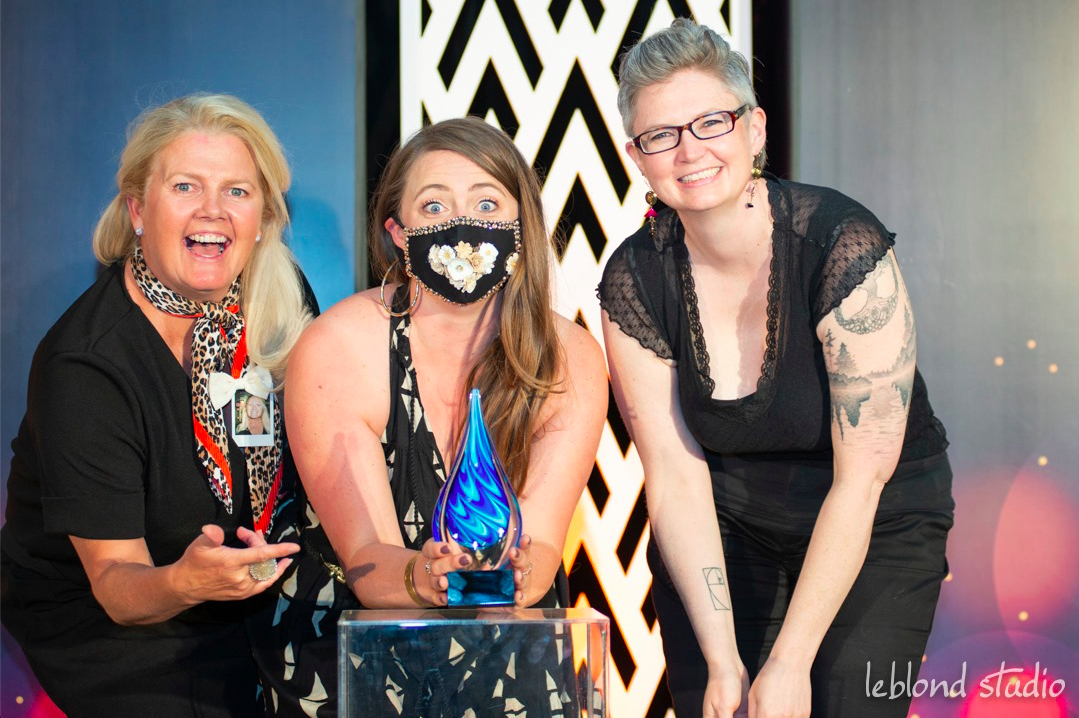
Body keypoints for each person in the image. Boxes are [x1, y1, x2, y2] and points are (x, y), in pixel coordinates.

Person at [599, 18, 954, 718]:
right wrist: (721, 659)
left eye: (711, 122)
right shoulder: (633, 278)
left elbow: (862, 477)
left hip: (874, 518)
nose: (689, 150)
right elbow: (674, 475)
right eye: (660, 135)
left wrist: (788, 662)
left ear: (754, 129)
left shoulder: (839, 245)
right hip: (726, 527)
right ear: (636, 156)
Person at [248, 116, 608, 716]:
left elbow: (542, 545)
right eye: (434, 205)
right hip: (347, 654)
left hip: (504, 652)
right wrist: (428, 575)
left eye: (486, 203)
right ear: (398, 232)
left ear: (521, 225)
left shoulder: (570, 357)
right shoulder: (338, 347)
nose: (462, 226)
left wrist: (517, 575)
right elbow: (369, 561)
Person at [1, 94, 314, 718]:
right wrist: (187, 581)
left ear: (262, 218)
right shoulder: (86, 365)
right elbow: (118, 586)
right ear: (138, 211)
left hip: (251, 597)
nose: (212, 210)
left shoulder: (279, 300)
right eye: (185, 186)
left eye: (236, 191)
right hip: (120, 627)